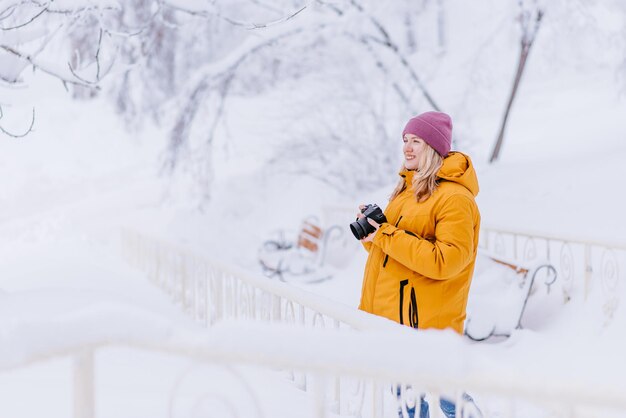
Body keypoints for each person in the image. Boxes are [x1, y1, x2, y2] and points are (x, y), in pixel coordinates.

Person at [356, 111, 481, 418]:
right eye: (405, 140)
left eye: (417, 141)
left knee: (446, 398)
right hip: (396, 318)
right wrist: (372, 235)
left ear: (435, 149)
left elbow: (445, 261)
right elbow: (396, 255)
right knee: (408, 398)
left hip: (426, 324)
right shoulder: (407, 191)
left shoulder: (455, 199)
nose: (407, 148)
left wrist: (386, 234)